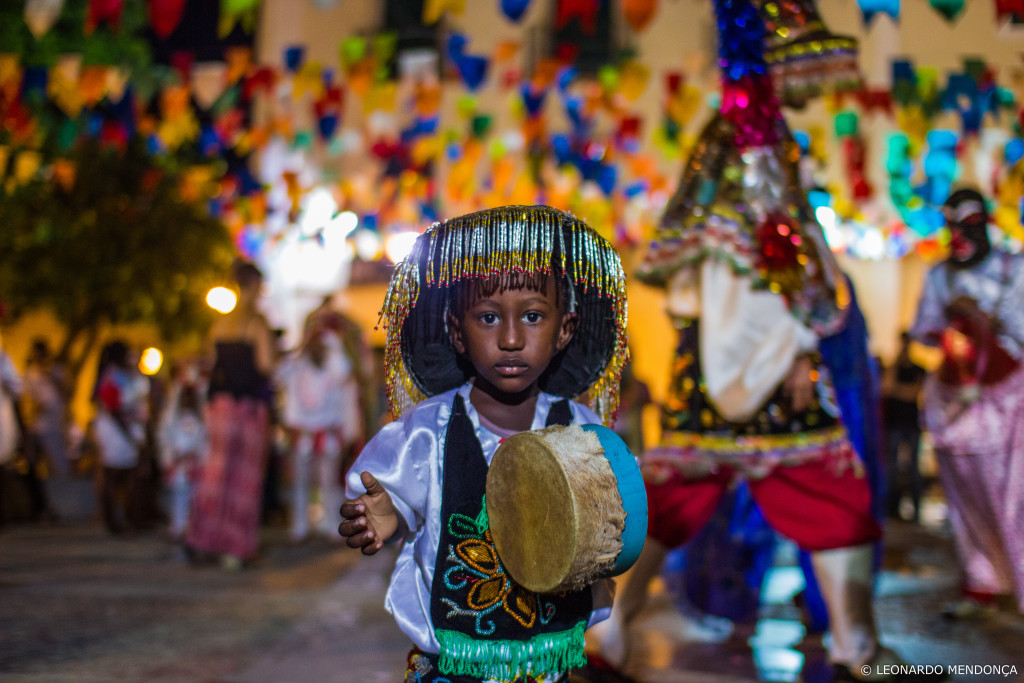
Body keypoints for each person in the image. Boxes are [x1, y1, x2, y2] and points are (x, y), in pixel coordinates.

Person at [591, 3, 924, 681]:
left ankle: (609, 633)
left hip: (708, 348)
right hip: (765, 351)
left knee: (677, 492)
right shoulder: (757, 139)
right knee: (829, 490)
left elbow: (706, 253)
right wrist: (805, 337)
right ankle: (857, 646)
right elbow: (781, 249)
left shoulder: (728, 134)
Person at [339, 205, 630, 683]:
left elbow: (614, 520)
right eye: (489, 318)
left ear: (565, 329)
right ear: (457, 331)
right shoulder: (427, 431)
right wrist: (388, 514)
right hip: (452, 670)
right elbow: (394, 496)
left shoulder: (581, 430)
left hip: (548, 666)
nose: (511, 338)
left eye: (533, 316)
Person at [910, 187, 1024, 618]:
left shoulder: (1015, 268)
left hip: (1012, 403)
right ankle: (982, 581)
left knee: (1016, 495)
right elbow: (923, 329)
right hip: (956, 406)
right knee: (967, 498)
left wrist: (991, 322)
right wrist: (951, 328)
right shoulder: (939, 276)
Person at [185, 260, 276, 571]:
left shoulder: (219, 324)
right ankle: (236, 548)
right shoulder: (257, 322)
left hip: (220, 407)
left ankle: (203, 539)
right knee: (244, 477)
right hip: (248, 407)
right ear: (252, 286)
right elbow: (266, 366)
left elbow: (210, 362)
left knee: (215, 474)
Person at [275, 322, 358, 542]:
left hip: (327, 430)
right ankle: (299, 526)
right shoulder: (296, 364)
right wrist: (301, 346)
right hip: (302, 431)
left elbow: (345, 371)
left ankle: (331, 525)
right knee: (300, 480)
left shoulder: (334, 363)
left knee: (329, 480)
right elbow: (278, 374)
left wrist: (333, 343)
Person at [92, 340, 148, 534]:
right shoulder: (112, 376)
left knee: (129, 476)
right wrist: (130, 436)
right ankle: (114, 522)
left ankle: (132, 517)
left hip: (126, 429)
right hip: (116, 432)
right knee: (113, 475)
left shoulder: (124, 375)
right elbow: (113, 409)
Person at [157, 362, 207, 541]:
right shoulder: (171, 417)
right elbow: (165, 437)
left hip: (194, 463)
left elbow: (204, 439)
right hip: (178, 462)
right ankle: (178, 527)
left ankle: (193, 528)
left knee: (195, 497)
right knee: (178, 496)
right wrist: (170, 458)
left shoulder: (200, 418)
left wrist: (199, 457)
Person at [882, 332, 926, 523]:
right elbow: (886, 388)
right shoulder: (894, 368)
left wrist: (898, 390)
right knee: (892, 467)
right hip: (894, 423)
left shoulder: (918, 369)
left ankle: (916, 508)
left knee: (914, 468)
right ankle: (893, 507)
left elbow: (912, 393)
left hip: (911, 424)